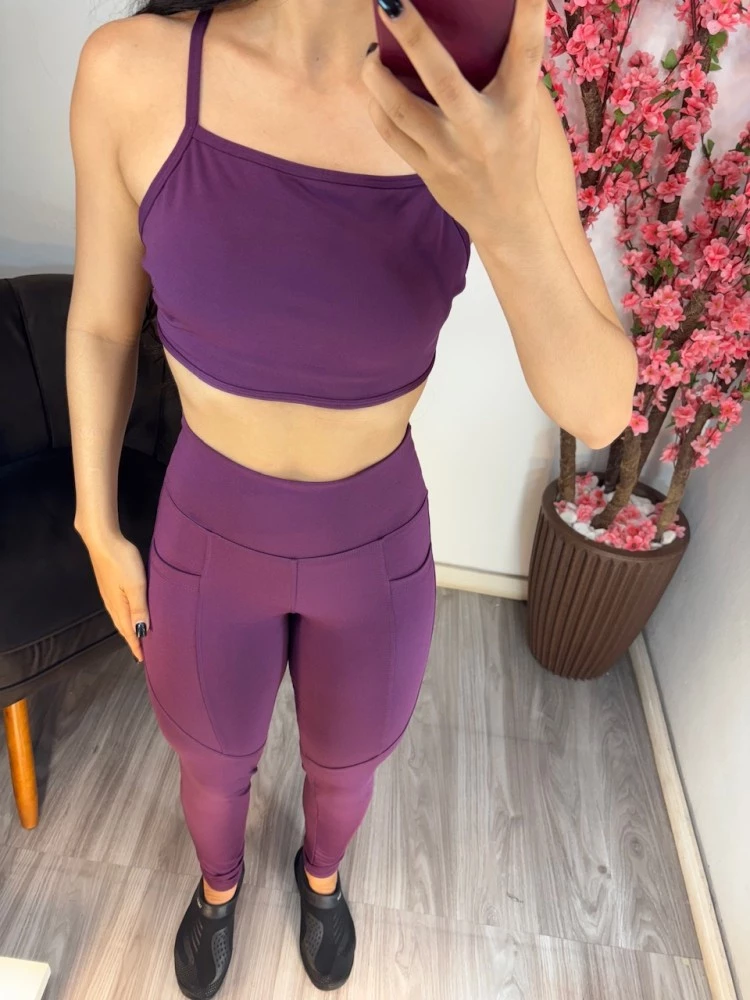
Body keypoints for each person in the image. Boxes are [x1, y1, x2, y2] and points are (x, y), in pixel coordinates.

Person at [66, 0, 637, 995]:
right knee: (209, 762)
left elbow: (598, 407)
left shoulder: (484, 104)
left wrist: (505, 210)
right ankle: (217, 889)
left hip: (371, 538)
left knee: (349, 763)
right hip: (207, 531)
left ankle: (321, 879)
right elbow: (103, 324)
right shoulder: (130, 71)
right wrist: (94, 516)